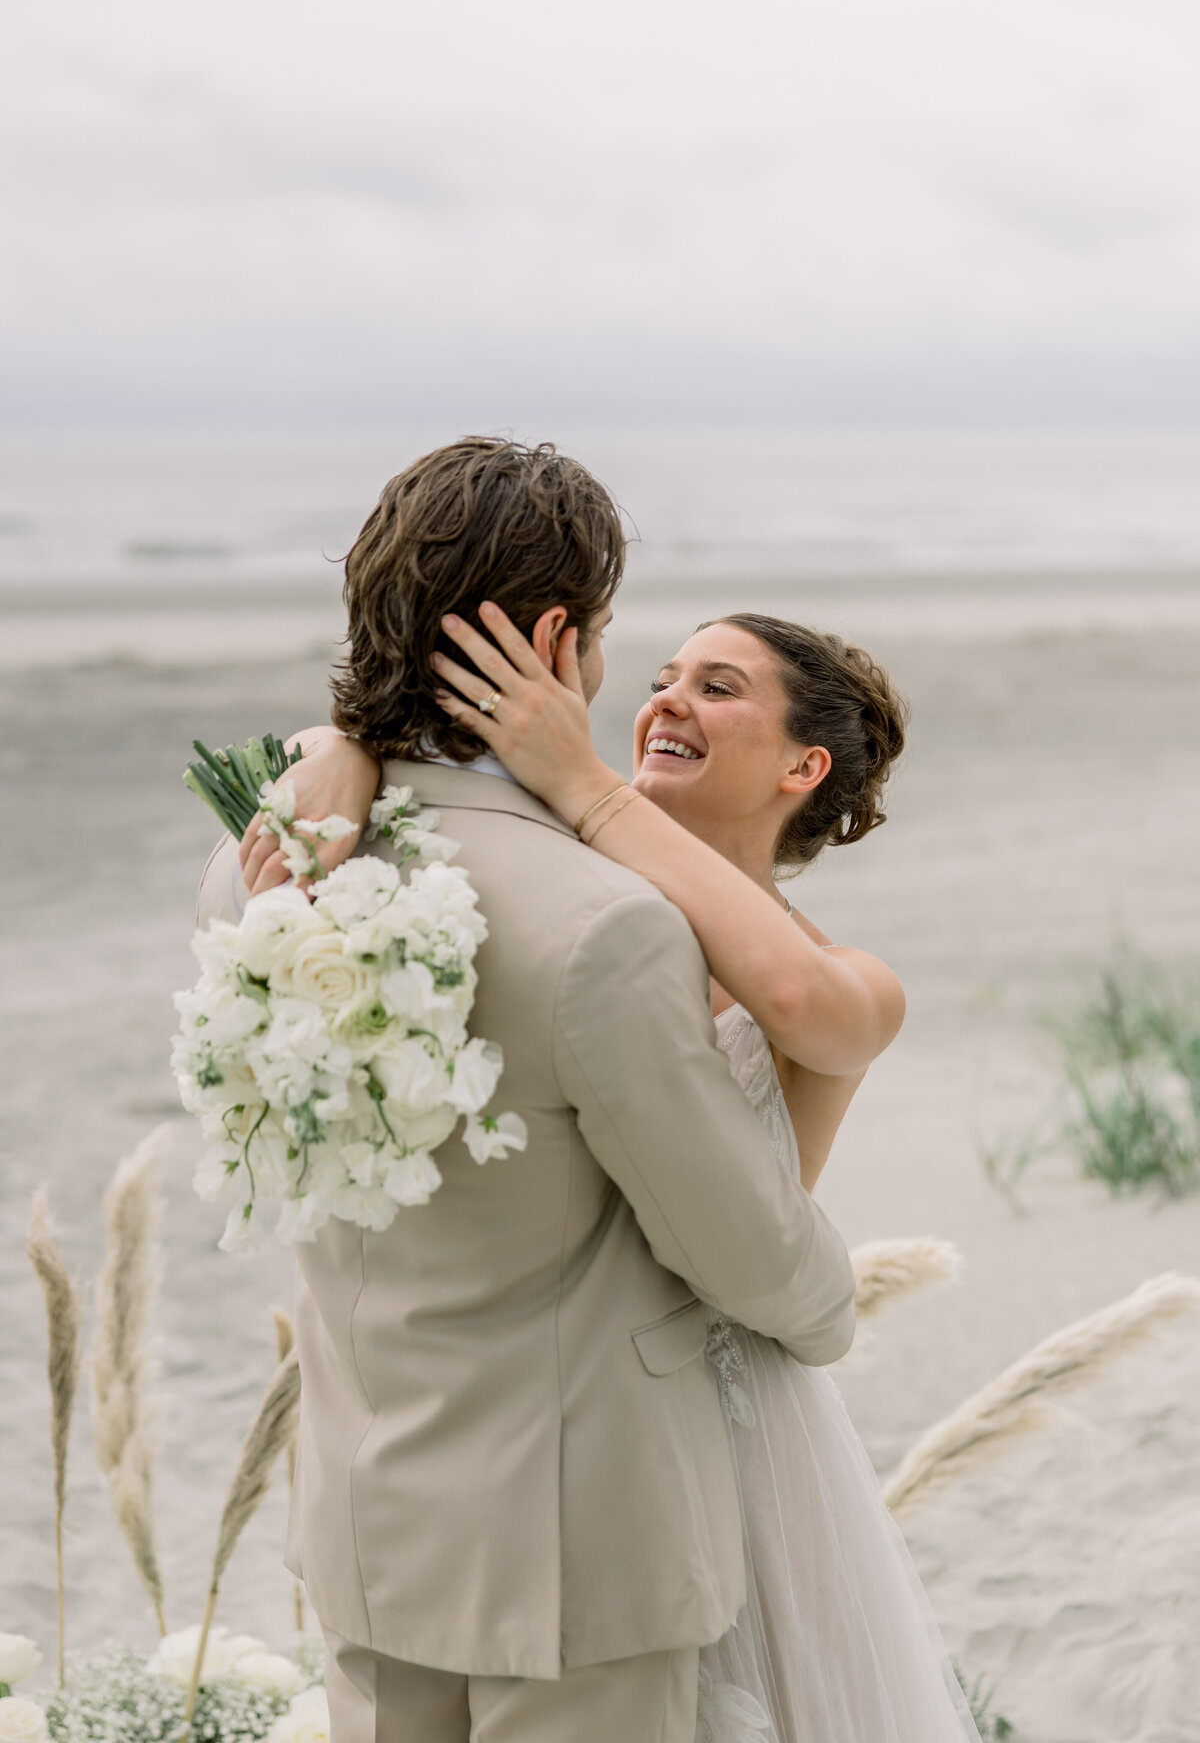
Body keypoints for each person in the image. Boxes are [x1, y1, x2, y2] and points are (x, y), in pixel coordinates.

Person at [196, 437, 858, 1743]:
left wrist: (345, 736)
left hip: (367, 1527)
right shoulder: (602, 926)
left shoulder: (260, 867)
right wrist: (831, 1309)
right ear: (562, 640)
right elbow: (743, 1247)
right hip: (575, 1569)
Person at [250, 596, 982, 1739]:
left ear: (806, 765)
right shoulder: (579, 903)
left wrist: (584, 784)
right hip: (527, 1431)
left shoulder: (850, 981)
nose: (664, 701)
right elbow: (353, 744)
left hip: (716, 1413)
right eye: (662, 675)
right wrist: (341, 759)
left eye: (718, 687)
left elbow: (794, 1003)